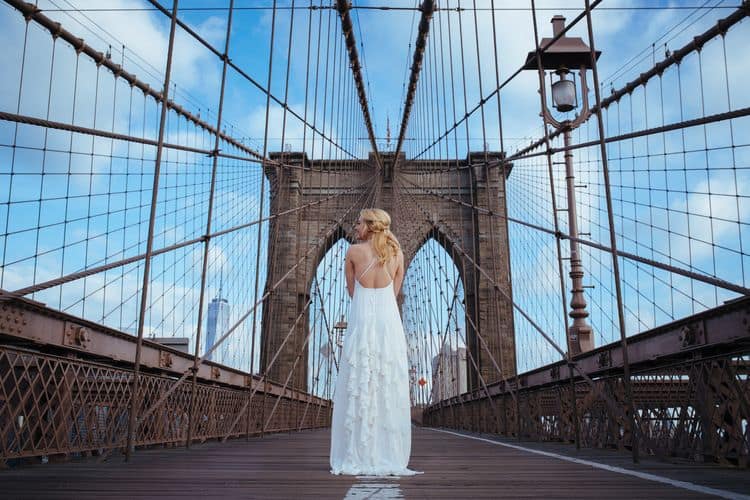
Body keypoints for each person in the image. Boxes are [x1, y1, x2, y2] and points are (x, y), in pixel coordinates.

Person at [329, 208, 421, 476]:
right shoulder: (397, 254)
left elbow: (350, 291)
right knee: (387, 381)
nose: (355, 227)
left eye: (358, 223)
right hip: (388, 322)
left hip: (361, 319)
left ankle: (358, 451)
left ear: (369, 226)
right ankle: (387, 452)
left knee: (359, 381)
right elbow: (394, 292)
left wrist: (364, 302)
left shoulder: (353, 253)